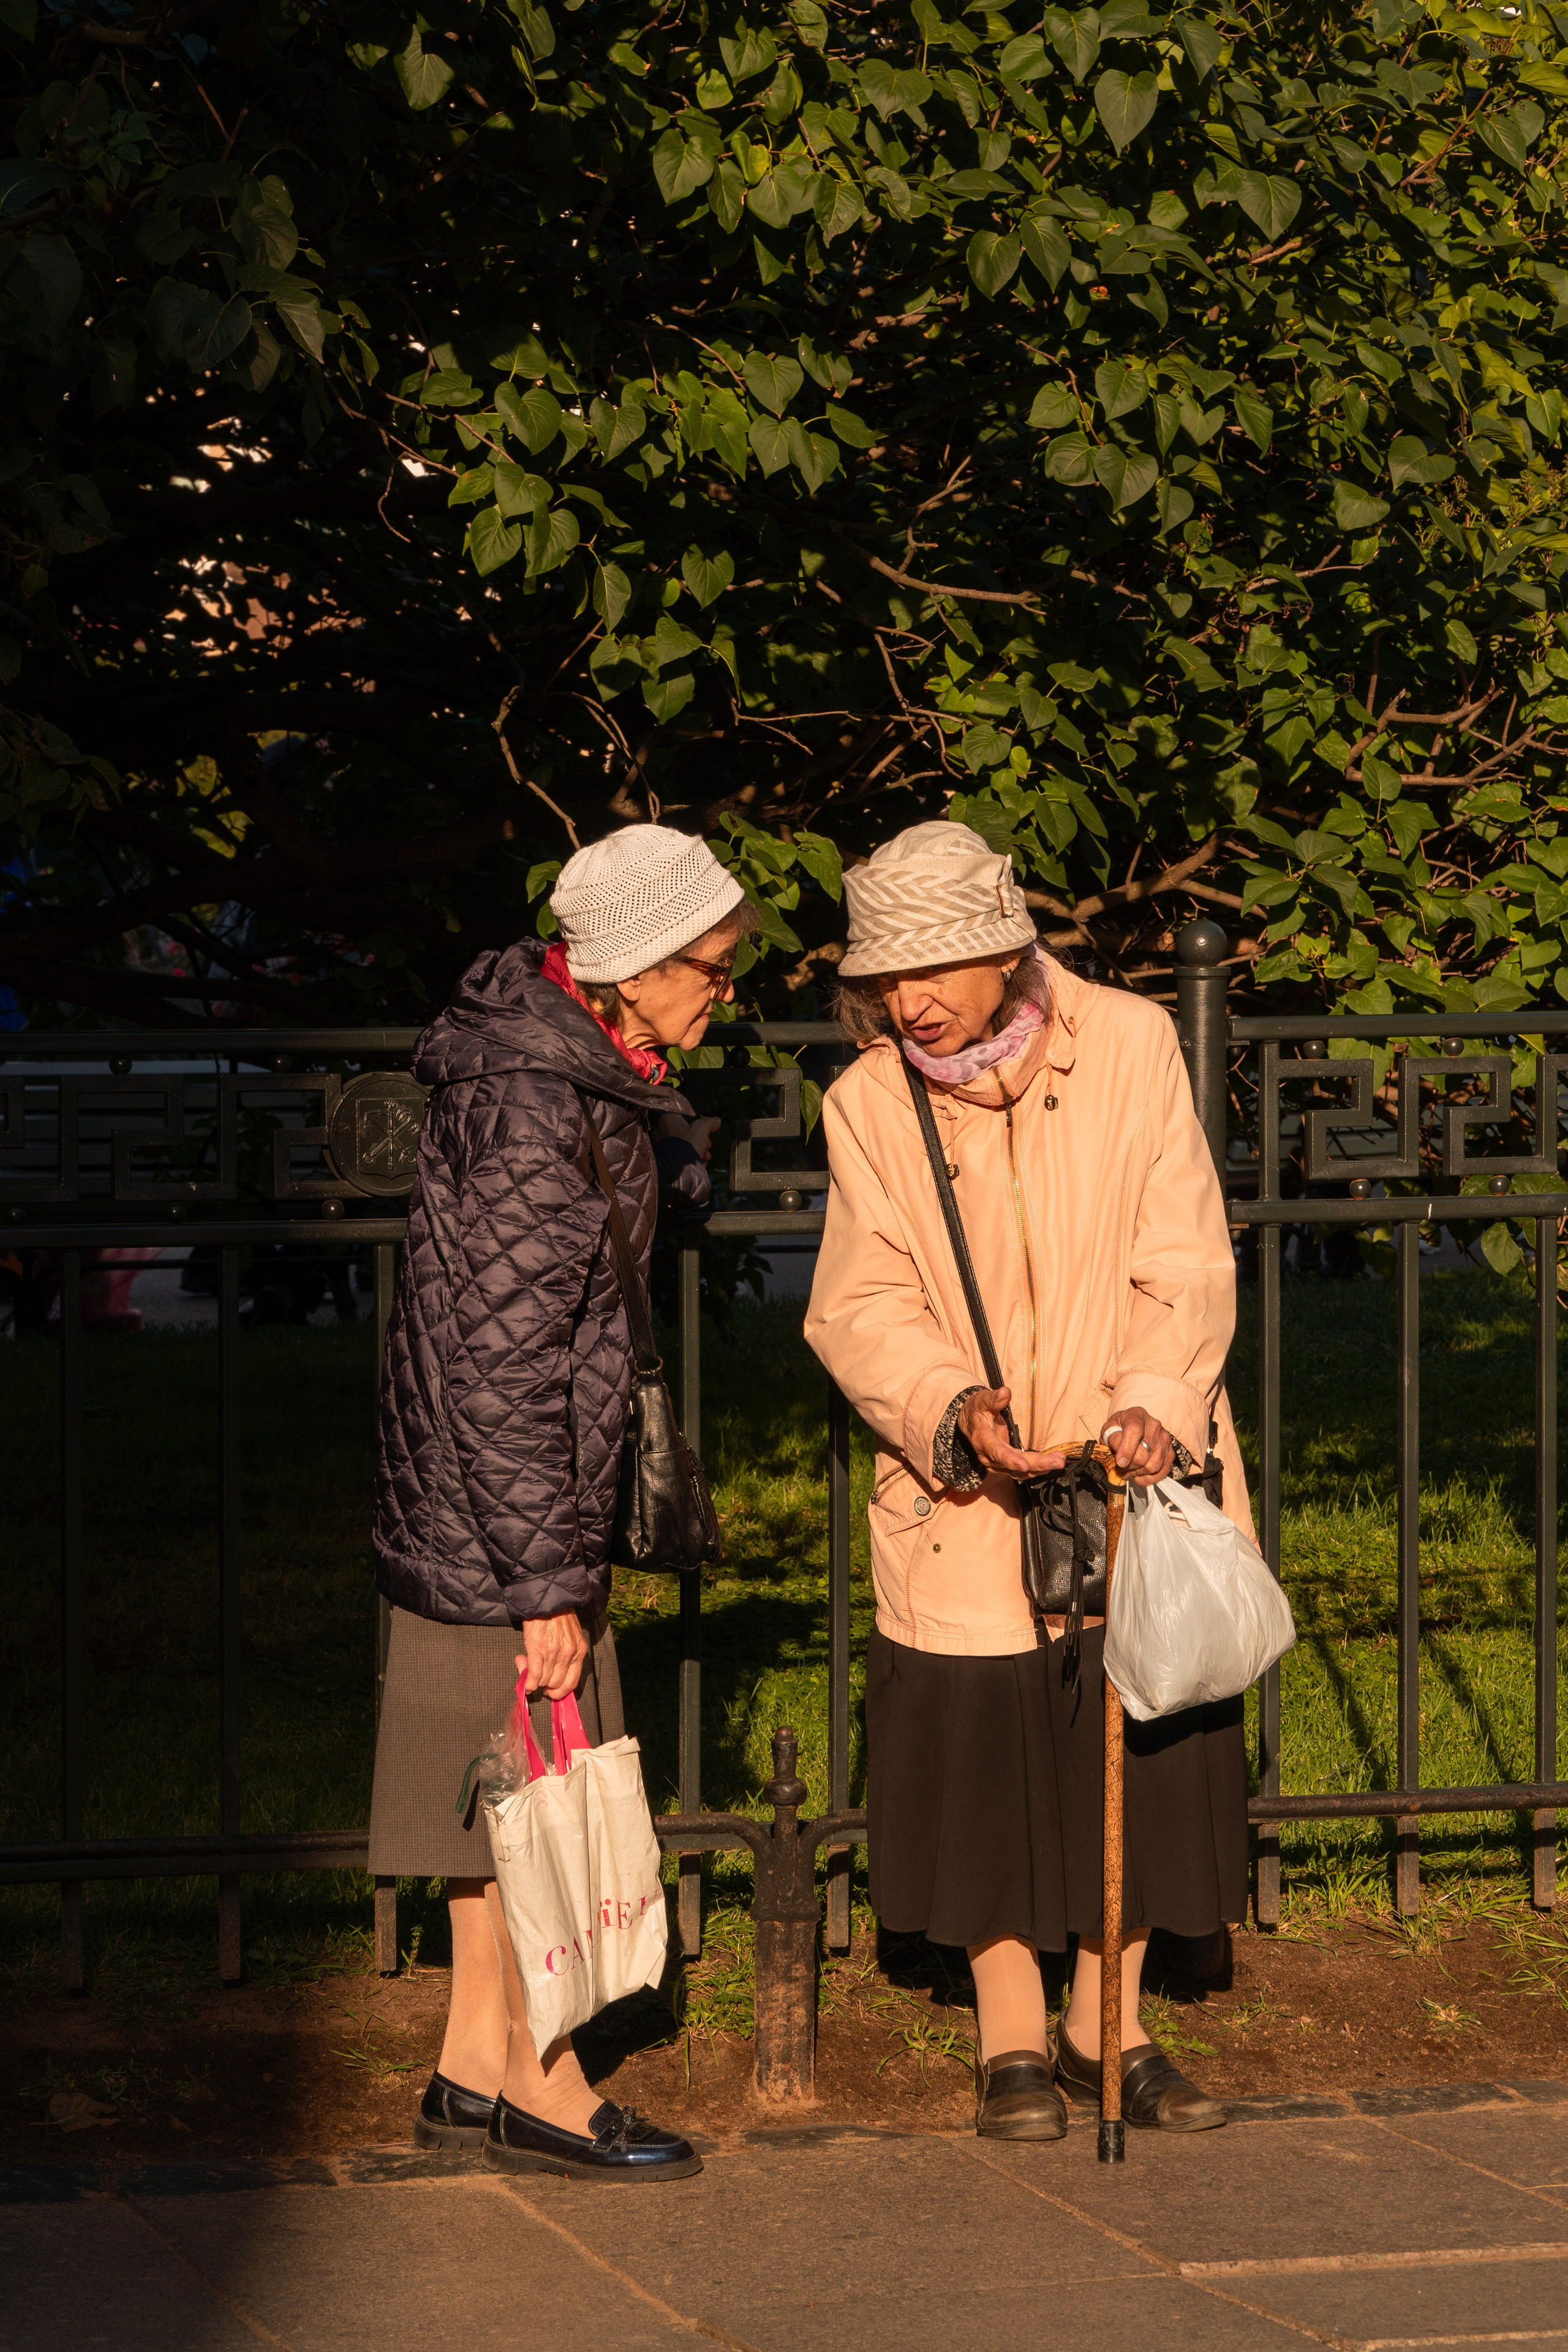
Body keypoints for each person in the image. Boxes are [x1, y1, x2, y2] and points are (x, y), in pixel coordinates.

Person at [804, 821, 1250, 2141]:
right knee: (985, 1749)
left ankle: (1105, 2027)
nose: (907, 999)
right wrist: (948, 1408)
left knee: (1138, 1736)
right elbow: (858, 1300)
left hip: (1127, 1464)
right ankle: (1008, 2035)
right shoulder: (867, 1103)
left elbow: (1184, 1246)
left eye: (931, 967)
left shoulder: (1126, 1044)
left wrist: (1154, 1403)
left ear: (1005, 949)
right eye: (885, 976)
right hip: (964, 1488)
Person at [369, 823, 752, 2182]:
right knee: (522, 1782)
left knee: (498, 1798)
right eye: (710, 963)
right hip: (498, 1512)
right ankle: (546, 2078)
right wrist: (544, 1583)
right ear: (635, 965)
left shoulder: (578, 1069)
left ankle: (473, 2059)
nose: (726, 986)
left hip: (485, 1503)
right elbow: (499, 1363)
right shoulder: (538, 1097)